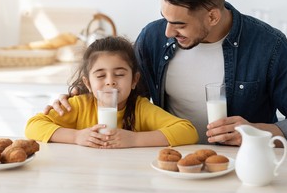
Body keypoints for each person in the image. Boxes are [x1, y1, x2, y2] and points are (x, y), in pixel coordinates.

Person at [45, 0, 287, 149]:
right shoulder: (153, 38)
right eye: (165, 18)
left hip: (240, 165)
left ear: (212, 17)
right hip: (170, 163)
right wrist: (74, 101)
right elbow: (123, 95)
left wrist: (257, 132)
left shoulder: (269, 46)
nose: (167, 32)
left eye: (179, 24)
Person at [26, 36, 198, 148]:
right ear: (88, 82)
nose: (110, 81)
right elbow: (33, 126)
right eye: (100, 75)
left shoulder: (140, 109)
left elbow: (188, 131)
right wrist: (77, 136)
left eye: (120, 74)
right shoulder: (79, 105)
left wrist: (135, 140)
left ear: (134, 80)